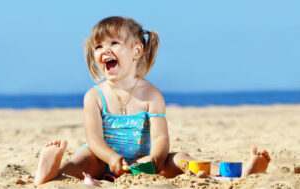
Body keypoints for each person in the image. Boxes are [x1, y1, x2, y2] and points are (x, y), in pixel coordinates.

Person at [34, 16, 271, 185]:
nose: (104, 49)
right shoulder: (94, 96)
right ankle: (52, 170)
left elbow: (160, 137)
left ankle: (241, 170)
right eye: (98, 46)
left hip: (144, 160)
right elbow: (94, 138)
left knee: (181, 160)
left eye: (114, 43)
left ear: (136, 51)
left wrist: (156, 159)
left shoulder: (152, 95)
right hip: (102, 158)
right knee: (82, 159)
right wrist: (110, 157)